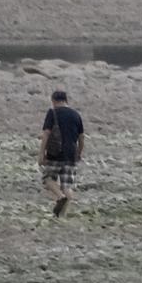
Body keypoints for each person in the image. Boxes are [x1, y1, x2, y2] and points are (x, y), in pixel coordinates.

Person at [40, 88, 86, 216]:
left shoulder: (52, 113)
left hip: (55, 154)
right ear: (66, 100)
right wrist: (79, 153)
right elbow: (81, 137)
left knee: (48, 178)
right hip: (71, 155)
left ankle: (60, 197)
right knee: (67, 186)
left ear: (53, 100)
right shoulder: (76, 115)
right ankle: (61, 216)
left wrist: (41, 154)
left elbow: (46, 134)